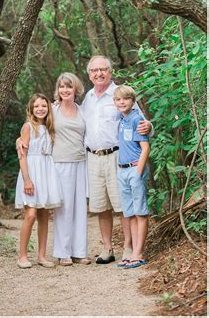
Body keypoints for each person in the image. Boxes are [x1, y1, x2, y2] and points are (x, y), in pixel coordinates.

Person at [82, 55, 151, 264]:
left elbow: (141, 122)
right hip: (93, 157)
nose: (99, 74)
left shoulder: (120, 94)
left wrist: (150, 127)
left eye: (103, 69)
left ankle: (128, 248)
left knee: (122, 205)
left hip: (117, 155)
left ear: (110, 71)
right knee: (101, 206)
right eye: (94, 71)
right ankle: (107, 248)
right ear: (89, 74)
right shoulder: (88, 97)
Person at [15, 93, 63, 269]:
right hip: (31, 172)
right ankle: (22, 256)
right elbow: (22, 155)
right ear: (31, 109)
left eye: (44, 105)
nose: (40, 109)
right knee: (31, 215)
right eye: (36, 106)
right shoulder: (28, 127)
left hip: (47, 171)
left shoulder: (50, 127)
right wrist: (27, 180)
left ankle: (42, 256)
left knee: (44, 215)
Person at [51, 73, 91, 266]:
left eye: (68, 87)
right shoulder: (52, 110)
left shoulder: (82, 110)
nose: (65, 90)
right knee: (64, 208)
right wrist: (21, 139)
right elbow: (33, 125)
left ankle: (79, 251)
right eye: (61, 87)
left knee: (80, 208)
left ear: (76, 89)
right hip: (60, 163)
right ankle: (63, 252)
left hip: (81, 162)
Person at [113, 85, 150, 268]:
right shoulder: (121, 118)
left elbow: (145, 148)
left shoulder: (137, 120)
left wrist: (138, 173)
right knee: (131, 214)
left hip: (135, 169)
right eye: (118, 99)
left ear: (133, 101)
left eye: (126, 99)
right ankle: (134, 251)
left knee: (140, 212)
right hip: (122, 170)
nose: (121, 102)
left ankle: (139, 253)